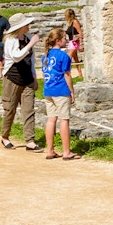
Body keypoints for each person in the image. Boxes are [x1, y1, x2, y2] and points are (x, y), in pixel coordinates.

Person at [1, 12, 42, 152]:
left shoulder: (28, 38)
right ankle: (5, 136)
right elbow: (16, 57)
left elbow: (31, 60)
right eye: (26, 24)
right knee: (10, 109)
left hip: (27, 79)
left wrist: (34, 77)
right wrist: (30, 44)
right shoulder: (10, 41)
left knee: (29, 110)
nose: (29, 26)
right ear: (20, 26)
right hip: (12, 78)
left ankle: (30, 140)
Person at [42, 28, 81, 160]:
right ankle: (66, 152)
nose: (66, 40)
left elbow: (44, 73)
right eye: (64, 38)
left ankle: (50, 150)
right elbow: (67, 75)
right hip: (60, 90)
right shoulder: (63, 56)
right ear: (58, 41)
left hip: (48, 90)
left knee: (51, 119)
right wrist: (72, 92)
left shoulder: (45, 56)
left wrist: (73, 46)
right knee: (64, 119)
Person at [64, 8, 83, 77]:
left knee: (69, 57)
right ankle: (80, 73)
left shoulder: (75, 22)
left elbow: (80, 32)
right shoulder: (71, 22)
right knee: (75, 58)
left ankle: (67, 73)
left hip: (74, 43)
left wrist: (80, 44)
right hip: (71, 42)